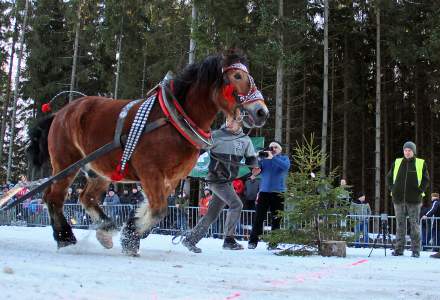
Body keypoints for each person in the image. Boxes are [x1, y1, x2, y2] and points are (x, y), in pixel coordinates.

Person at [182, 115, 257, 253]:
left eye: (233, 120)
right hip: (216, 179)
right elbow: (198, 151)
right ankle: (229, 240)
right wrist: (185, 164)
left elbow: (251, 158)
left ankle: (190, 239)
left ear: (240, 123)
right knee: (236, 204)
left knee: (212, 214)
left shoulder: (245, 140)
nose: (229, 123)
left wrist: (254, 168)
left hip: (227, 182)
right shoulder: (216, 135)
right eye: (228, 120)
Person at [386, 141, 429, 258]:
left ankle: (416, 250)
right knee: (400, 225)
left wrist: (420, 190)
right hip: (398, 199)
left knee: (414, 225)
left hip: (414, 201)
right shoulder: (397, 162)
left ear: (413, 151)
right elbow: (389, 177)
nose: (407, 152)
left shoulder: (421, 163)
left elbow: (426, 179)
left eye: (409, 150)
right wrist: (393, 189)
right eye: (405, 150)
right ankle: (399, 250)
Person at [248, 141, 291, 250]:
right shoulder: (264, 160)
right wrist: (256, 158)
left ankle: (273, 243)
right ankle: (253, 241)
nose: (273, 148)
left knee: (276, 219)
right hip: (264, 192)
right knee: (258, 217)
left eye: (276, 147)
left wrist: (273, 157)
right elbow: (255, 171)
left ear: (280, 149)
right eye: (271, 147)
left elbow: (285, 167)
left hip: (279, 193)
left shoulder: (284, 158)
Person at [421, 193, 440, 257]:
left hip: (437, 223)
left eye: (432, 197)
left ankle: (436, 248)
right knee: (436, 234)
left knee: (435, 234)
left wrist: (426, 215)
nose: (431, 198)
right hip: (437, 222)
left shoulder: (436, 202)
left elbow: (433, 210)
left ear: (434, 197)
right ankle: (436, 248)